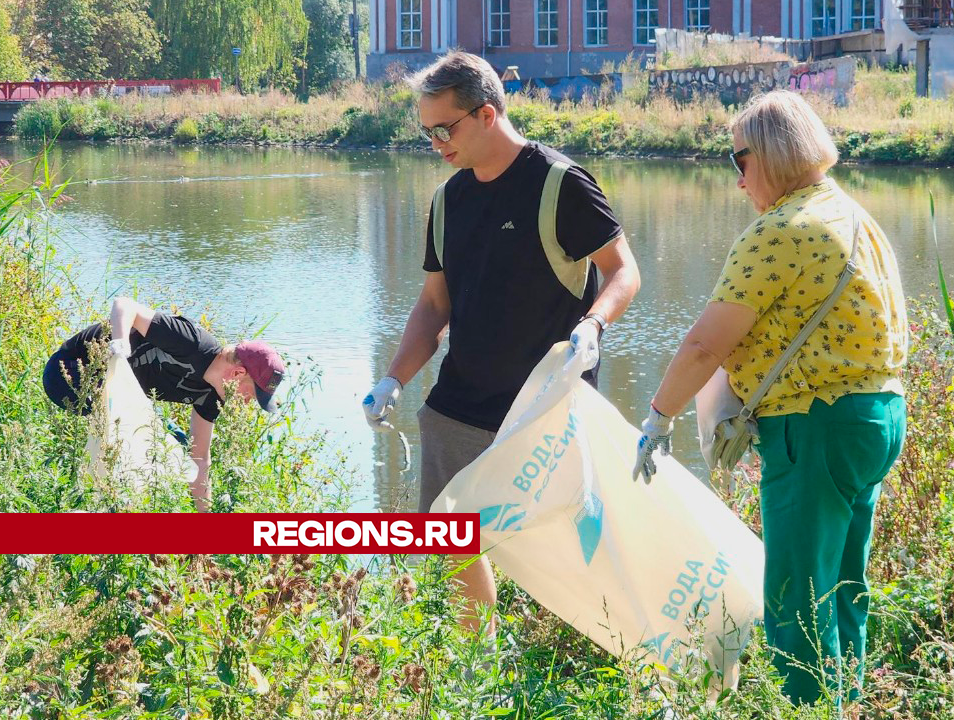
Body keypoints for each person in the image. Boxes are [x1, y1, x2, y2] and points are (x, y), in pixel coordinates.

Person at [634, 90, 907, 707]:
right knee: (842, 585)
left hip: (818, 426)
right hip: (879, 416)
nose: (737, 180)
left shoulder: (781, 230)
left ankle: (806, 709)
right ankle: (846, 701)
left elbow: (705, 345)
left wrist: (657, 419)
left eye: (739, 160)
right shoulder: (854, 215)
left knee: (795, 597)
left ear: (772, 154)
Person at [362, 51, 640, 636]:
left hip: (544, 410)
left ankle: (596, 652)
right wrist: (393, 379)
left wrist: (594, 324)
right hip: (460, 403)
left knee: (563, 551)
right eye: (426, 131)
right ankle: (478, 665)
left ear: (487, 114)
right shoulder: (447, 200)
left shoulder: (560, 183)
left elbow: (624, 272)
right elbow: (434, 305)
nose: (436, 141)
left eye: (445, 128)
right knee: (445, 538)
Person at [43, 296, 284, 512]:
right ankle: (99, 507)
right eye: (252, 394)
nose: (248, 402)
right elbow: (124, 305)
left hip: (113, 397)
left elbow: (200, 458)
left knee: (176, 445)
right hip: (69, 374)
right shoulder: (193, 343)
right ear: (237, 373)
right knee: (149, 442)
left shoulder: (212, 398)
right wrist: (119, 347)